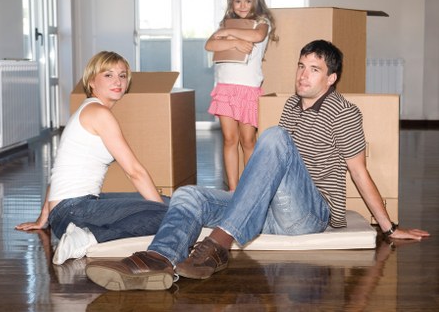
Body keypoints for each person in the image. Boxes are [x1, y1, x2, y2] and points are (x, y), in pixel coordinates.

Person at [85, 40, 430, 291]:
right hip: (268, 214)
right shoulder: (293, 105)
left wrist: (388, 227)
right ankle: (160, 260)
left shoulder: (345, 113)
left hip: (310, 214)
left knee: (274, 137)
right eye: (301, 66)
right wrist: (243, 196)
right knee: (189, 194)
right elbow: (270, 172)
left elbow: (358, 171)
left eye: (314, 70)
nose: (303, 75)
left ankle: (218, 245)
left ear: (332, 78)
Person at [15, 51, 169, 265]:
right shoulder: (99, 113)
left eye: (122, 76)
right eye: (108, 75)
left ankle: (83, 234)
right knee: (169, 215)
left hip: (69, 211)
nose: (117, 81)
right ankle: (89, 238)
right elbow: (134, 171)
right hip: (75, 211)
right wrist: (161, 213)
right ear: (91, 82)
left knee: (173, 204)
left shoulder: (87, 109)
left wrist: (45, 218)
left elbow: (58, 170)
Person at [206, 0, 278, 191]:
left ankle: (250, 188)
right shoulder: (226, 24)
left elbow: (256, 36)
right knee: (229, 139)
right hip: (226, 89)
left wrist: (227, 34)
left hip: (248, 91)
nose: (243, 6)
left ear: (256, 0)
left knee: (248, 141)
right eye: (238, 1)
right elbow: (210, 45)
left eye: (248, 1)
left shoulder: (262, 23)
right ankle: (233, 189)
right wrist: (234, 39)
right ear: (231, 1)